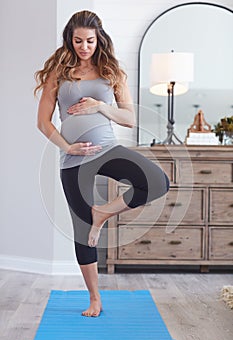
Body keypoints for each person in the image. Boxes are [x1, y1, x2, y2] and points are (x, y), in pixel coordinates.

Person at [35, 10, 169, 317]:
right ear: (70, 39)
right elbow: (43, 122)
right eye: (78, 40)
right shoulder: (59, 71)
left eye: (90, 41)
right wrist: (68, 146)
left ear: (100, 40)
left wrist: (100, 107)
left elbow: (129, 118)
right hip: (74, 158)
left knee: (157, 181)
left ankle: (102, 214)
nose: (84, 47)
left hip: (107, 148)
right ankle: (95, 299)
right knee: (82, 230)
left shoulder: (111, 71)